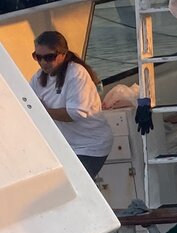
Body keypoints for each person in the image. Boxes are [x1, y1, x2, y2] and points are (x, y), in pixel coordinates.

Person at [28, 30, 114, 178]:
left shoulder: (76, 73)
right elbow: (26, 102)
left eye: (49, 57)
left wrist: (42, 110)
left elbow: (75, 113)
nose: (43, 62)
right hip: (64, 147)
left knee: (76, 185)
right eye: (38, 57)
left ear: (63, 54)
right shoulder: (38, 78)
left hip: (90, 146)